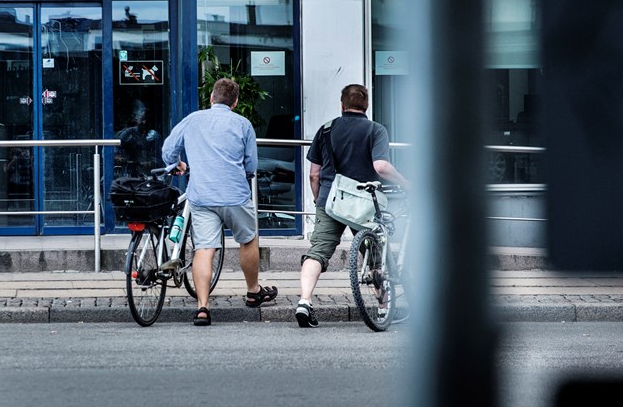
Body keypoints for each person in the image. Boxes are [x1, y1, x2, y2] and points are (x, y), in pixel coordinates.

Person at [162, 78, 277, 326]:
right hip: (235, 194)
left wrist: (176, 165)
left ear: (212, 98)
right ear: (235, 102)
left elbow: (169, 148)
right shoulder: (243, 124)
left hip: (201, 195)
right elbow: (251, 164)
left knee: (204, 249)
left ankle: (203, 307)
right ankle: (253, 291)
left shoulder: (193, 119)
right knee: (248, 239)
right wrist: (243, 176)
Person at [296, 83, 408, 328]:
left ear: (342, 105)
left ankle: (304, 301)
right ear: (366, 105)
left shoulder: (325, 130)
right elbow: (380, 167)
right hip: (365, 205)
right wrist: (405, 182)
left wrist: (318, 199)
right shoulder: (376, 130)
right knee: (375, 255)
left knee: (317, 252)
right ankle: (383, 308)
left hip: (331, 201)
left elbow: (314, 174)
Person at [115, 99, 162, 177]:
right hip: (127, 175)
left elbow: (158, 160)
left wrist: (146, 164)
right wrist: (122, 159)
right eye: (141, 119)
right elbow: (111, 153)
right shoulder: (125, 134)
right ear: (133, 118)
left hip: (147, 176)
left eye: (146, 119)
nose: (144, 122)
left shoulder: (153, 136)